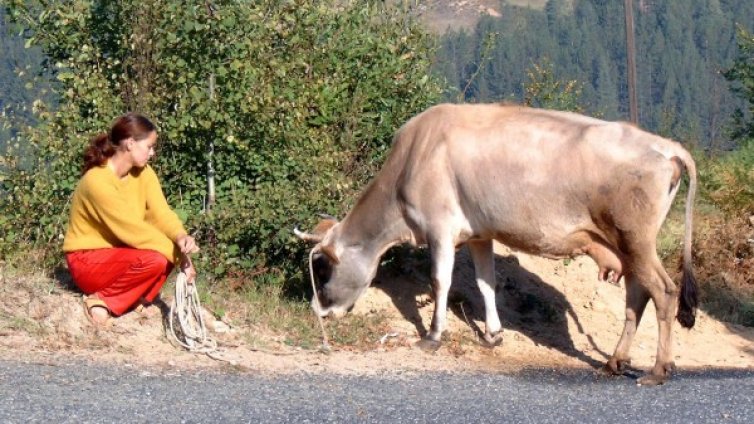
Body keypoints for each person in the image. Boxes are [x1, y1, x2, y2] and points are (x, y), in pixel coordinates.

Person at [63, 113, 199, 326]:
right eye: (149, 146)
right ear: (130, 143)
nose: (152, 153)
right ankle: (102, 299)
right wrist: (181, 258)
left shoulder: (144, 173)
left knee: (164, 254)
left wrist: (181, 237)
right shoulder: (97, 182)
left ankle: (136, 300)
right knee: (157, 258)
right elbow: (132, 230)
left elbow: (160, 213)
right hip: (86, 260)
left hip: (118, 255)